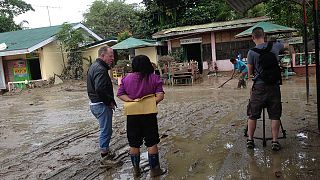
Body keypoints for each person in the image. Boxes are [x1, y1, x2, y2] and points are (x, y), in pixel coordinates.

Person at [117, 55, 166, 178]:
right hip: (149, 114)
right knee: (152, 142)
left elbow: (120, 94)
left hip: (132, 115)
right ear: (148, 65)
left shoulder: (126, 79)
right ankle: (155, 170)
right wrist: (149, 102)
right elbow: (160, 95)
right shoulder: (154, 78)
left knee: (134, 143)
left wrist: (132, 101)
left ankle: (136, 170)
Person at [246, 27, 289, 151]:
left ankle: (250, 140)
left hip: (259, 87)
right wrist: (278, 42)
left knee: (253, 115)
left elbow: (250, 74)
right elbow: (286, 45)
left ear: (253, 37)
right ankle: (275, 141)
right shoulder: (275, 46)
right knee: (275, 115)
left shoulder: (251, 52)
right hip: (274, 87)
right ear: (264, 35)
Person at [87, 46, 118, 166]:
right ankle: (105, 156)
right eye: (110, 56)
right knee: (106, 130)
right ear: (102, 55)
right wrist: (109, 101)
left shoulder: (94, 66)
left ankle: (106, 150)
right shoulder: (100, 69)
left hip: (94, 103)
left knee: (105, 129)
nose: (112, 58)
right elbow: (99, 88)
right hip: (100, 104)